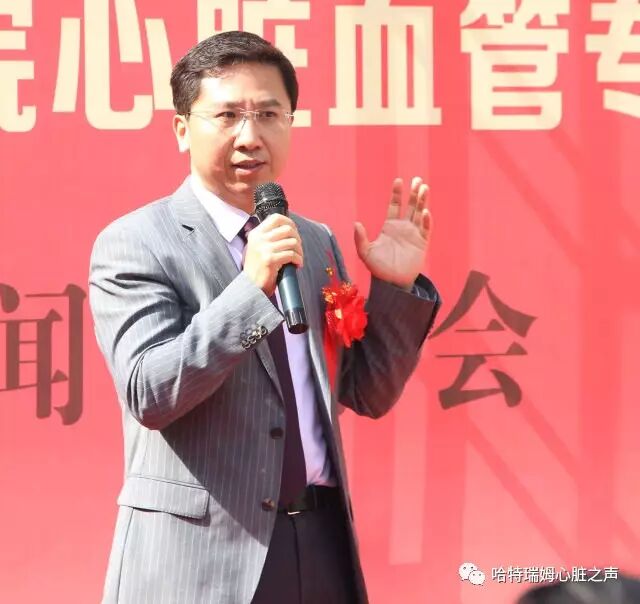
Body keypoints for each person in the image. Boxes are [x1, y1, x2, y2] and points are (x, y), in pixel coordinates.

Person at [89, 30, 441, 604]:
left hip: (319, 539)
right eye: (227, 115)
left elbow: (366, 392)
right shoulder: (137, 242)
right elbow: (150, 392)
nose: (250, 136)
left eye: (269, 115)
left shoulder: (313, 241)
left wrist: (395, 289)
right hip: (201, 557)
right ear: (182, 129)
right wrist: (250, 289)